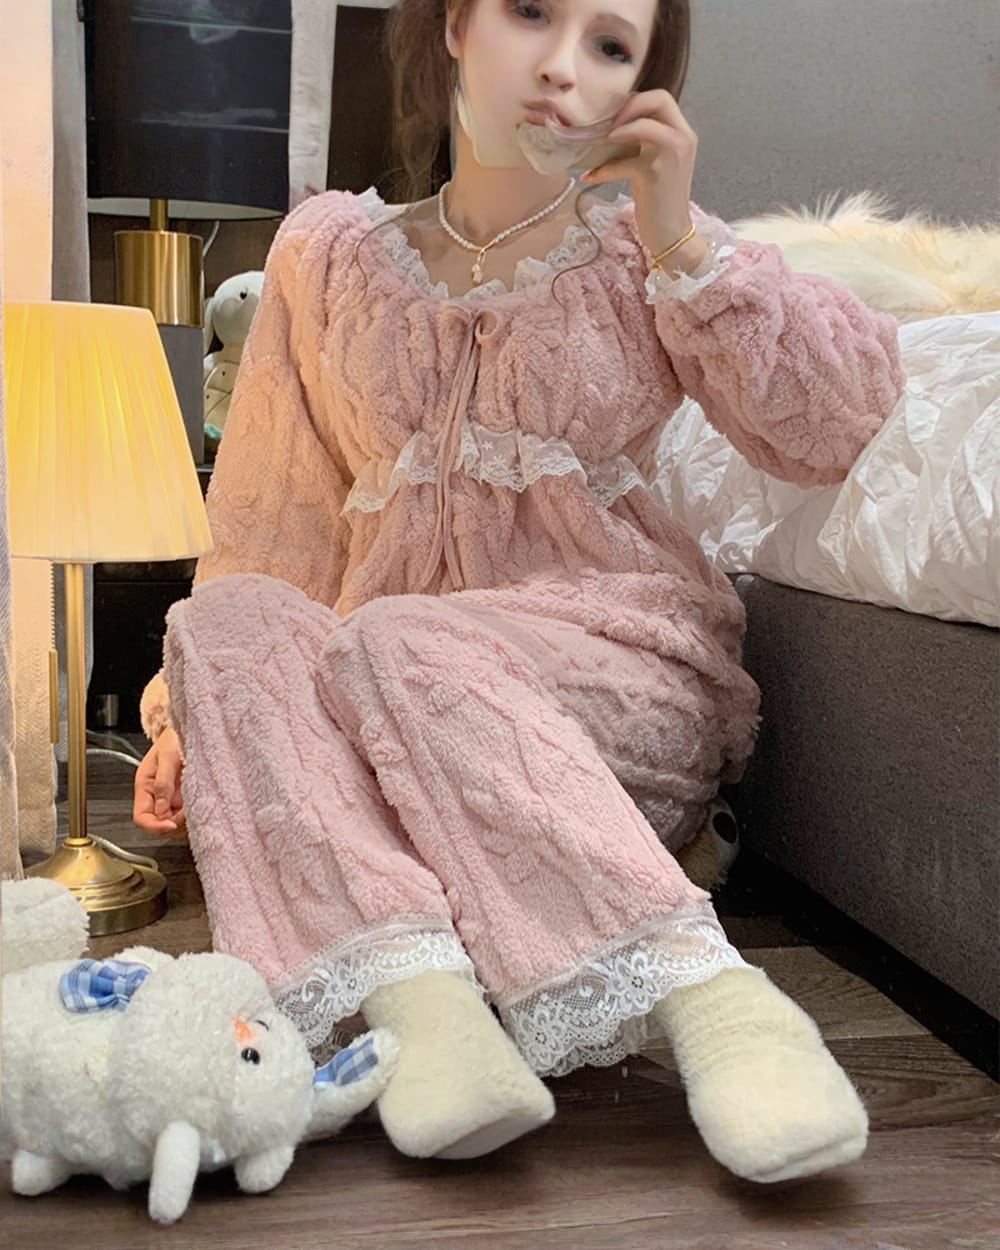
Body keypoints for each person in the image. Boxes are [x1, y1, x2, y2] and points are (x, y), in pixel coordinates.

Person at [133, 0, 905, 1180]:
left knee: (399, 637)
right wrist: (197, 712)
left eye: (610, 45)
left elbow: (836, 425)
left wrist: (681, 244)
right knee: (224, 621)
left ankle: (718, 1007)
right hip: (374, 693)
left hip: (601, 678)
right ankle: (428, 1020)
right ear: (454, 24)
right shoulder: (323, 255)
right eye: (533, 11)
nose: (561, 66)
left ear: (638, 88)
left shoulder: (645, 244)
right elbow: (267, 523)